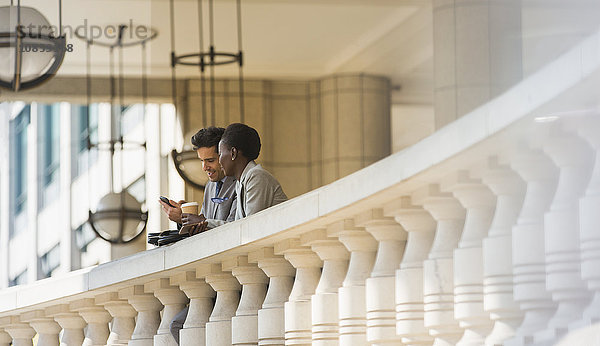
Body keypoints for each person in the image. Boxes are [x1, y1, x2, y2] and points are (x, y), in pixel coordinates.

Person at [158, 126, 236, 344]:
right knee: (177, 325)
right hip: (211, 278)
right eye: (202, 161)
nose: (205, 167)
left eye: (210, 160)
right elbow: (206, 228)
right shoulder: (211, 187)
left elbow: (235, 227)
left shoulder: (241, 181)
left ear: (226, 153)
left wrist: (200, 221)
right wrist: (181, 219)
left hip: (232, 276)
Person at [218, 123, 288, 219]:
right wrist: (206, 223)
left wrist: (207, 223)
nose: (219, 161)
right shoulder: (241, 181)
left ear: (233, 153)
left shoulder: (256, 176)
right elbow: (237, 225)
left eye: (220, 154)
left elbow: (251, 225)